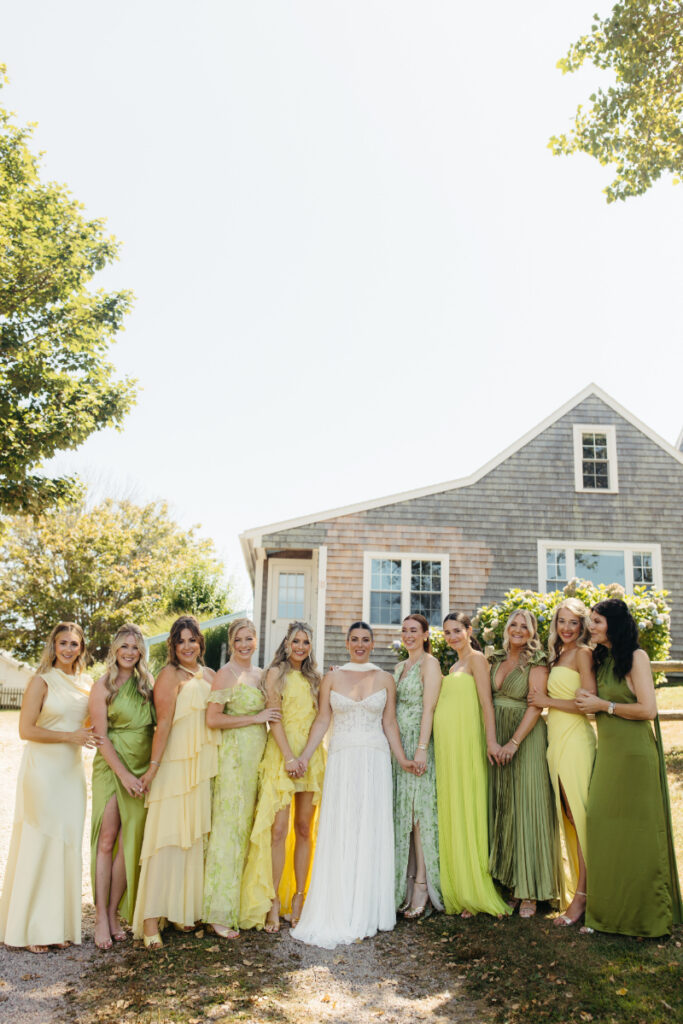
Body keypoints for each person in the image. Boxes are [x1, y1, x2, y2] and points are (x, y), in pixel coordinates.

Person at [290, 622, 415, 948]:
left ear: (372, 644)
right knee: (343, 827)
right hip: (343, 760)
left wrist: (402, 759)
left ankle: (370, 907)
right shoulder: (332, 677)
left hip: (374, 760)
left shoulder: (385, 678)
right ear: (347, 643)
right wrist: (304, 755)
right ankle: (339, 903)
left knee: (370, 828)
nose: (360, 644)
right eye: (355, 639)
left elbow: (389, 723)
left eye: (365, 640)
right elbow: (322, 720)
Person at [575, 598, 683, 937]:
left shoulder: (636, 657)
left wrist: (603, 706)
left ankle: (646, 916)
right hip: (609, 753)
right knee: (601, 822)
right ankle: (607, 913)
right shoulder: (602, 659)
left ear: (614, 624)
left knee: (639, 831)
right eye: (590, 621)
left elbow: (648, 710)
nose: (590, 626)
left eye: (596, 621)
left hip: (635, 754)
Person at [0, 622, 96, 953]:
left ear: (82, 648)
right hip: (42, 771)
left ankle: (57, 927)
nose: (68, 649)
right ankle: (30, 928)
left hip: (71, 773)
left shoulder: (86, 684)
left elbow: (89, 723)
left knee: (66, 845)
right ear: (53, 646)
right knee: (41, 842)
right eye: (62, 643)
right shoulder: (40, 681)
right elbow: (26, 730)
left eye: (74, 643)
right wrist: (70, 736)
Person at [132, 615, 219, 948]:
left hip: (201, 766)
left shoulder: (210, 675)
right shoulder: (168, 676)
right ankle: (151, 917)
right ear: (173, 645)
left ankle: (182, 911)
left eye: (192, 639)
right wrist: (153, 769)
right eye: (181, 640)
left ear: (201, 642)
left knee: (191, 837)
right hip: (174, 764)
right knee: (166, 836)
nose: (187, 646)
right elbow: (164, 724)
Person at [239, 622, 325, 933]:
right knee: (278, 830)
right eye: (295, 641)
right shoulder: (275, 673)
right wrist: (289, 757)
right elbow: (274, 718)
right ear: (286, 643)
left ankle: (300, 897)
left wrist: (303, 758)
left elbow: (324, 717)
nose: (301, 647)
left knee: (304, 829)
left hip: (310, 758)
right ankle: (273, 900)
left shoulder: (316, 679)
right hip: (282, 755)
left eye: (306, 642)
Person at [202, 619, 281, 938]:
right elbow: (212, 719)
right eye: (239, 639)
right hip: (233, 761)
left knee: (248, 831)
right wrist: (254, 718)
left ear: (256, 640)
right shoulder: (226, 674)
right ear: (231, 643)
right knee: (229, 830)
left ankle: (244, 905)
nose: (244, 644)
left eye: (249, 638)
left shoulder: (262, 675)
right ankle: (218, 911)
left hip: (257, 760)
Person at [434, 613, 510, 918]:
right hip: (447, 745)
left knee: (470, 806)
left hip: (468, 742)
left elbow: (486, 703)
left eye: (457, 631)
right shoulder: (452, 666)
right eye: (447, 632)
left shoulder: (478, 659)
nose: (452, 636)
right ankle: (458, 885)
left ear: (469, 631)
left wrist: (491, 741)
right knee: (453, 808)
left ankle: (474, 887)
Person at [488, 609, 562, 918]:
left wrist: (514, 743)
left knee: (528, 806)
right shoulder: (494, 659)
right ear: (506, 630)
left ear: (532, 633)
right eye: (514, 625)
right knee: (505, 807)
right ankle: (509, 882)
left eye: (525, 626)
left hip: (525, 738)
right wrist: (495, 741)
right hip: (496, 738)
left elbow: (536, 705)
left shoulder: (536, 661)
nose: (518, 630)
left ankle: (530, 890)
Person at [527, 599, 596, 926]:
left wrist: (546, 701)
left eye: (573, 623)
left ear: (582, 627)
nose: (567, 628)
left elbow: (588, 703)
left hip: (576, 742)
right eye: (562, 622)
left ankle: (583, 897)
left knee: (580, 816)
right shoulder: (557, 656)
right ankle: (584, 888)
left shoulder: (583, 654)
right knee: (569, 815)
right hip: (556, 742)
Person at [89, 624, 155, 949]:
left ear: (141, 652)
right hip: (112, 766)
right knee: (107, 839)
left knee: (132, 842)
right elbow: (100, 736)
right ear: (115, 649)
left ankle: (115, 912)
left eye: (135, 647)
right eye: (124, 646)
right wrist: (124, 776)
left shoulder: (148, 685)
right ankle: (101, 915)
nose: (130, 652)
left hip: (142, 769)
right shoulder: (103, 686)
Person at [393, 613, 444, 918]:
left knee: (419, 816)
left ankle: (423, 884)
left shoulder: (430, 665)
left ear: (426, 635)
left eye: (414, 631)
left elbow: (429, 708)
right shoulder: (400, 667)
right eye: (405, 631)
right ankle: (406, 883)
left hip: (419, 744)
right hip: (399, 747)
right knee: (403, 816)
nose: (408, 635)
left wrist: (422, 748)